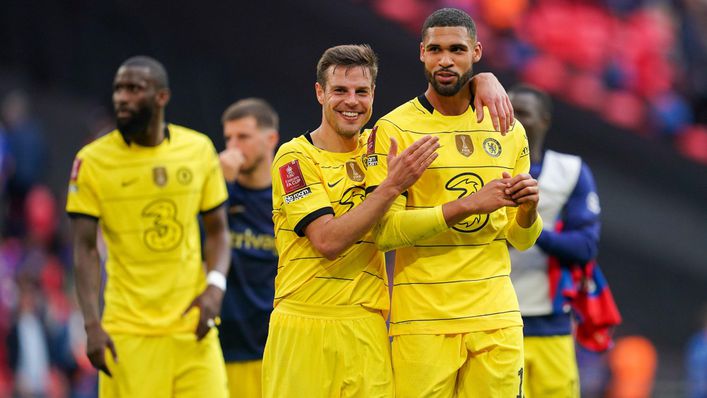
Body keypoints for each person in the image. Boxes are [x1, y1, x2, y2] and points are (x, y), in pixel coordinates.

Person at [262, 44, 513, 397]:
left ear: (373, 95)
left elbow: (441, 100)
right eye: (340, 91)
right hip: (304, 321)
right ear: (320, 93)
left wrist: (481, 80)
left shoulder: (380, 147)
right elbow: (327, 241)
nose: (352, 101)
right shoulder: (294, 158)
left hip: (368, 324)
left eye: (361, 92)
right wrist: (392, 186)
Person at [366, 8, 543, 397]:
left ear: (476, 51)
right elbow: (384, 233)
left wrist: (528, 211)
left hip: (496, 315)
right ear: (422, 53)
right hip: (423, 320)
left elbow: (521, 239)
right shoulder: (394, 129)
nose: (445, 59)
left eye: (457, 49)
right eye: (436, 49)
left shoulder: (507, 127)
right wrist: (467, 205)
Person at [66, 56, 230, 398]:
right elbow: (84, 247)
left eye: (134, 89)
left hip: (192, 330)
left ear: (161, 97)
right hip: (127, 334)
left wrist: (215, 287)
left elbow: (218, 231)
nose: (122, 98)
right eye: (118, 89)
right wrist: (92, 325)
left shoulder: (198, 150)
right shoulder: (92, 162)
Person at [507, 84, 601, 397]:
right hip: (493, 322)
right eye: (508, 112)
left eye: (523, 113)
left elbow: (585, 247)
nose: (513, 121)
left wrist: (528, 227)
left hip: (551, 324)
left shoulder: (569, 171)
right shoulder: (482, 169)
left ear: (544, 120)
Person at [217, 98, 279, 398]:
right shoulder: (218, 193)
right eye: (228, 137)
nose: (232, 146)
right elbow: (199, 241)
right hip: (223, 347)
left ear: (270, 139)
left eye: (242, 137)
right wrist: (222, 186)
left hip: (274, 348)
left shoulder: (288, 199)